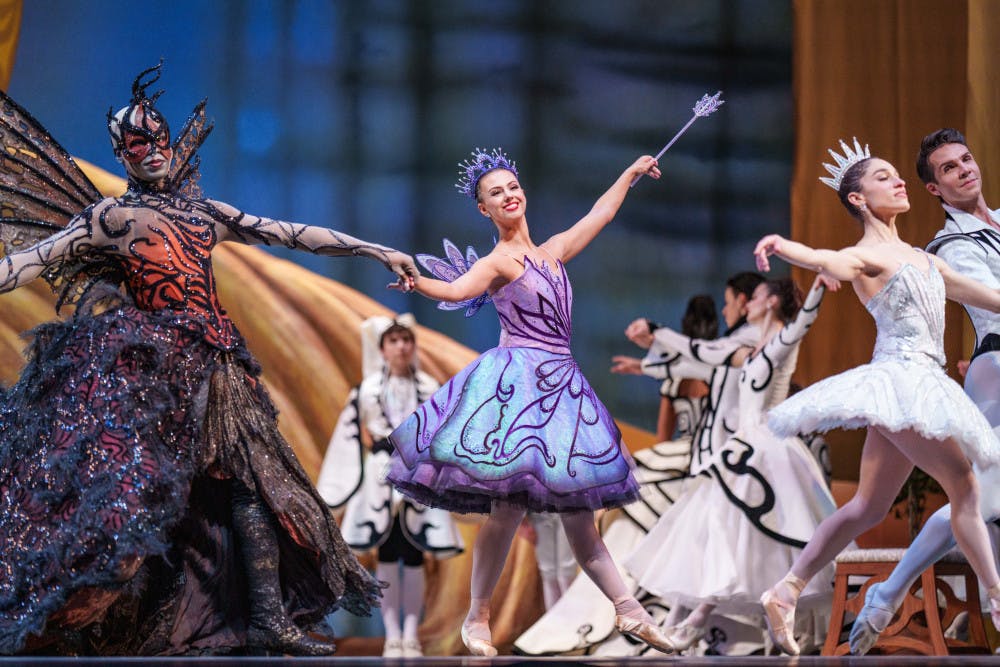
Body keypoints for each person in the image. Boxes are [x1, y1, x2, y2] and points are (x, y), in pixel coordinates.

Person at [0, 64, 417, 656]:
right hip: (154, 375)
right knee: (140, 494)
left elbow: (291, 232)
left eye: (158, 137)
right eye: (137, 143)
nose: (153, 150)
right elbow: (35, 259)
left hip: (218, 367)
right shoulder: (111, 218)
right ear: (120, 154)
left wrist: (374, 249)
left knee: (254, 486)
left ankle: (267, 617)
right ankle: (90, 619)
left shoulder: (205, 214)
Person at [385, 147, 675, 656]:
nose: (508, 196)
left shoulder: (554, 251)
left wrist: (629, 172)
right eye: (496, 193)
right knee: (507, 510)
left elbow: (601, 213)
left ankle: (629, 610)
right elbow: (455, 291)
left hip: (561, 391)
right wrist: (417, 281)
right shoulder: (499, 261)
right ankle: (478, 616)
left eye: (512, 187)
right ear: (485, 209)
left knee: (580, 517)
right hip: (517, 391)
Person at [753, 138, 1000, 656]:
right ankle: (998, 596)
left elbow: (993, 298)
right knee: (964, 486)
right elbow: (827, 259)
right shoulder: (864, 255)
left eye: (897, 174)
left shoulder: (925, 259)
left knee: (867, 506)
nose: (898, 181)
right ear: (859, 199)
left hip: (921, 384)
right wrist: (784, 246)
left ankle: (786, 589)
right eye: (883, 177)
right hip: (899, 381)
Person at [625, 275, 838, 654]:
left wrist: (818, 285)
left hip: (770, 450)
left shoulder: (781, 342)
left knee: (751, 534)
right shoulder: (747, 352)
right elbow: (700, 353)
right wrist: (656, 335)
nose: (747, 303)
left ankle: (699, 619)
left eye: (756, 297)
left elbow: (804, 320)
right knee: (731, 533)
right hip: (743, 450)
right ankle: (709, 620)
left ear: (771, 302)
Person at [849, 128, 1000, 654]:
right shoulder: (949, 244)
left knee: (986, 497)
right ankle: (893, 592)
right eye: (949, 168)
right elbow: (992, 300)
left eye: (966, 160)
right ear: (934, 189)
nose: (964, 170)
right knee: (978, 494)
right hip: (996, 363)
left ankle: (892, 593)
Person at [316, 315, 463, 657]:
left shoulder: (429, 386)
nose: (401, 347)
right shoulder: (367, 389)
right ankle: (392, 634)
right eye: (394, 341)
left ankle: (411, 634)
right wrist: (336, 488)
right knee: (385, 553)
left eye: (406, 340)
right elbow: (347, 436)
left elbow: (444, 435)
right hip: (380, 476)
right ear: (381, 349)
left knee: (413, 555)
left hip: (417, 473)